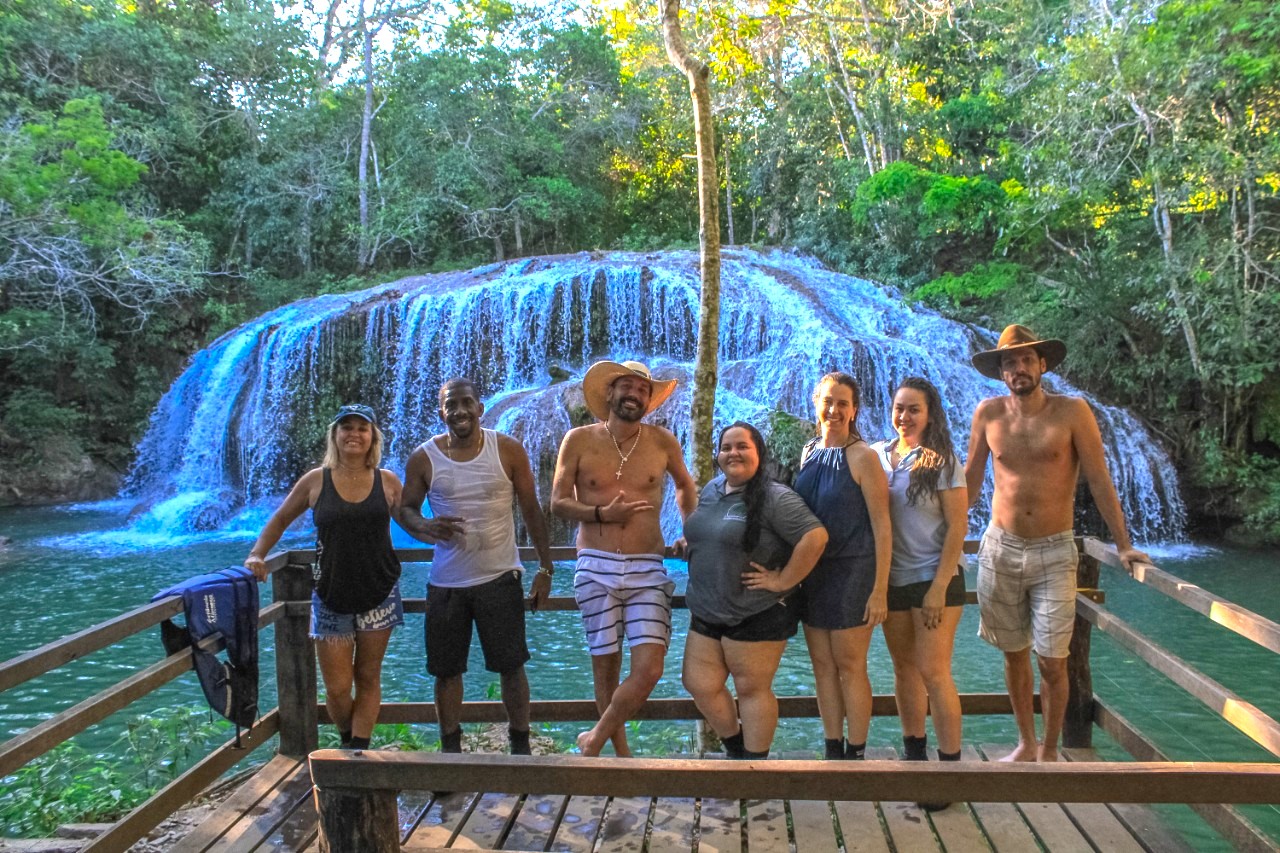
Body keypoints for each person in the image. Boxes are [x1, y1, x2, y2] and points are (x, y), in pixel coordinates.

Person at [966, 324, 1151, 762]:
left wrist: (1123, 544)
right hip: (1001, 548)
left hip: (1054, 550)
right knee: (1013, 655)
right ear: (1001, 371)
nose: (1019, 369)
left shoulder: (1072, 412)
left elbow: (1100, 480)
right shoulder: (988, 414)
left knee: (1052, 661)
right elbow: (969, 485)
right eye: (1010, 362)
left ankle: (1050, 751)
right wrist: (945, 541)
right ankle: (1026, 744)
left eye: (1027, 360)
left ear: (1042, 364)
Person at [399, 378, 556, 756]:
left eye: (466, 402)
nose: (459, 411)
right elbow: (405, 509)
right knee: (446, 671)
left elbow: (532, 510)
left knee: (512, 666)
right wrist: (423, 526)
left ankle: (521, 749)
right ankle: (451, 752)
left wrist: (545, 568)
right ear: (442, 412)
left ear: (480, 407)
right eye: (451, 405)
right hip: (446, 582)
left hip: (500, 576)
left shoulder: (508, 450)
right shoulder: (424, 458)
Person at [551, 360, 698, 756]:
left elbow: (685, 486)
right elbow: (558, 502)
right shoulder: (578, 440)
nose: (634, 394)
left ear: (649, 400)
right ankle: (617, 753)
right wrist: (601, 514)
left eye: (642, 390)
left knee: (649, 668)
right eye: (627, 387)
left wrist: (690, 530)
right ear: (610, 393)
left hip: (648, 565)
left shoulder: (663, 441)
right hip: (595, 563)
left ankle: (594, 738)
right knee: (606, 663)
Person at [245, 404, 403, 750]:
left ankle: (357, 750)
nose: (354, 434)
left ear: (372, 437)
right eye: (346, 427)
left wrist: (443, 534)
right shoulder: (316, 480)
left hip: (380, 592)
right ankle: (349, 740)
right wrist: (258, 554)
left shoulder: (388, 481)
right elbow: (281, 518)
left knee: (368, 676)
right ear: (335, 435)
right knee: (336, 687)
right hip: (331, 595)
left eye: (362, 428)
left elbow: (411, 521)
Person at [682, 422, 827, 759]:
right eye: (727, 447)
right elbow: (709, 528)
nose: (734, 452)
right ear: (718, 456)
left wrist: (783, 579)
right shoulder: (713, 490)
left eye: (742, 446)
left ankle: (755, 769)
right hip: (707, 608)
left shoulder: (776, 496)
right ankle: (736, 749)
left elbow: (815, 537)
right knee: (698, 683)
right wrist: (692, 541)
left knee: (751, 689)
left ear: (758, 452)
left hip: (756, 610)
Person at [872, 377, 967, 807]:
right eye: (899, 408)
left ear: (930, 414)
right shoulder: (879, 456)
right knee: (904, 671)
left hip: (935, 579)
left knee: (933, 670)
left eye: (914, 409)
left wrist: (939, 587)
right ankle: (915, 758)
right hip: (893, 581)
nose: (904, 417)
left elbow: (958, 527)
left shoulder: (944, 461)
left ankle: (948, 771)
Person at [793, 372, 892, 760]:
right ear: (816, 403)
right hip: (813, 574)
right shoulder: (809, 451)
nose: (833, 410)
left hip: (853, 572)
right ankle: (833, 747)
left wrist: (879, 589)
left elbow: (883, 526)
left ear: (854, 410)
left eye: (842, 403)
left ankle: (858, 751)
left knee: (851, 666)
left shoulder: (863, 457)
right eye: (828, 401)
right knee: (822, 667)